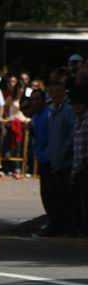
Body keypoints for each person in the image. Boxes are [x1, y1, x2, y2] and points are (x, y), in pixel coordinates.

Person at [42, 78, 75, 235]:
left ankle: (66, 227)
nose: (53, 94)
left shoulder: (67, 110)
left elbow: (71, 135)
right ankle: (56, 225)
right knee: (53, 196)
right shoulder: (52, 110)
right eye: (51, 91)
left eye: (56, 91)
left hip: (65, 162)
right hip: (53, 160)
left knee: (64, 197)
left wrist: (64, 154)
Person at [30, 89, 51, 223]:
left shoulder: (48, 114)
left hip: (50, 158)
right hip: (41, 157)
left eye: (37, 99)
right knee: (45, 192)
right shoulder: (35, 116)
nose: (35, 102)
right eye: (33, 99)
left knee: (51, 193)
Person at [69, 85, 88, 236]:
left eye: (78, 104)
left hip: (85, 166)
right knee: (79, 200)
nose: (76, 107)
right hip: (78, 166)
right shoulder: (77, 120)